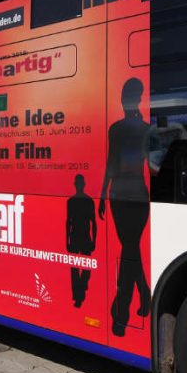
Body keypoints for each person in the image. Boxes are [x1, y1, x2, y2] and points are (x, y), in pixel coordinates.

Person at [98, 78, 151, 337]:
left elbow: (111, 164)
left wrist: (101, 195)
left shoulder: (117, 129)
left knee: (129, 251)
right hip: (135, 197)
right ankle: (145, 295)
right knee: (131, 250)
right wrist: (101, 195)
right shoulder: (145, 129)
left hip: (121, 195)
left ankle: (121, 315)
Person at [66, 174, 97, 308]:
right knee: (77, 267)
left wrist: (94, 240)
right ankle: (79, 293)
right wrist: (66, 239)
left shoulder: (82, 201)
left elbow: (93, 223)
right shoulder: (76, 201)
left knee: (83, 267)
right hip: (80, 236)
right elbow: (68, 222)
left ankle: (80, 290)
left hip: (80, 236)